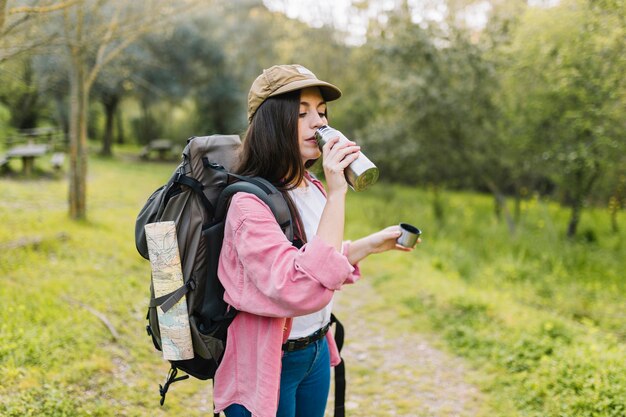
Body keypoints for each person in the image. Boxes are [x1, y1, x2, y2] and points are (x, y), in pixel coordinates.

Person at [213, 64, 415, 417]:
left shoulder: (312, 187)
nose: (318, 123)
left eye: (321, 112)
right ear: (271, 122)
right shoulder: (248, 204)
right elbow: (297, 286)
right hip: (269, 360)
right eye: (301, 113)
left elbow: (316, 258)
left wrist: (368, 245)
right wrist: (339, 194)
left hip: (317, 352)